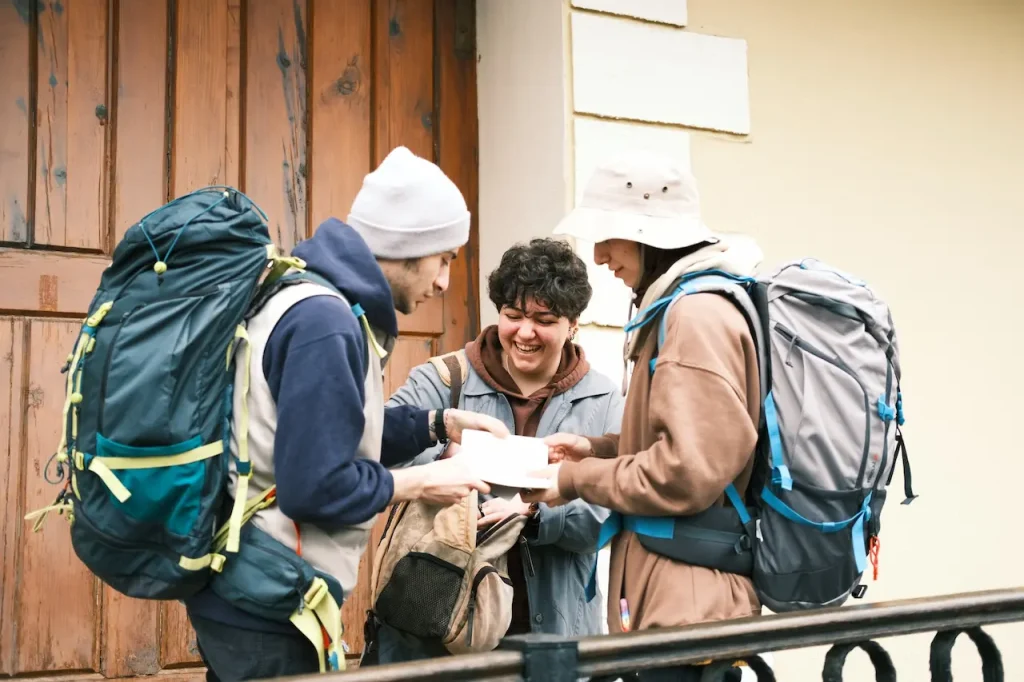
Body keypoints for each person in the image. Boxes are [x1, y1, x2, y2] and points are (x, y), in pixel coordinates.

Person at [184, 146, 510, 681]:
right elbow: (315, 487)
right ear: (408, 246)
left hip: (253, 593)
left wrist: (438, 424)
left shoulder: (312, 301)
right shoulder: (325, 321)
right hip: (271, 601)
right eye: (445, 257)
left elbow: (330, 433)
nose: (445, 281)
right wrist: (427, 480)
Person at [524, 150, 765, 682]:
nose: (601, 254)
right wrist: (597, 449)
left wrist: (573, 478)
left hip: (686, 616)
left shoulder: (695, 316)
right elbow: (685, 444)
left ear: (650, 233)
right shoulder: (684, 306)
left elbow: (685, 470)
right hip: (673, 605)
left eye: (610, 234)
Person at [371, 238, 623, 664]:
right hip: (437, 632)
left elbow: (609, 511)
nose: (525, 332)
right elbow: (376, 451)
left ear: (573, 324)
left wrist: (538, 516)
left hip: (553, 636)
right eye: (513, 316)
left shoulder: (604, 399)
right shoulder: (441, 379)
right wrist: (446, 464)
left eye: (544, 319)